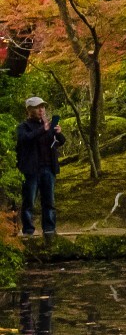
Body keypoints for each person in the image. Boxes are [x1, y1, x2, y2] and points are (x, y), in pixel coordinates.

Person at [14, 97, 63, 239]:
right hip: (31, 170)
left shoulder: (47, 126)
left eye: (43, 107)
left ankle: (49, 229)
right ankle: (28, 230)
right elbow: (25, 139)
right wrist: (43, 129)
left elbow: (60, 142)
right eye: (37, 107)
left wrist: (58, 132)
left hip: (48, 168)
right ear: (29, 110)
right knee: (29, 201)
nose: (41, 110)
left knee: (49, 201)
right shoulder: (23, 127)